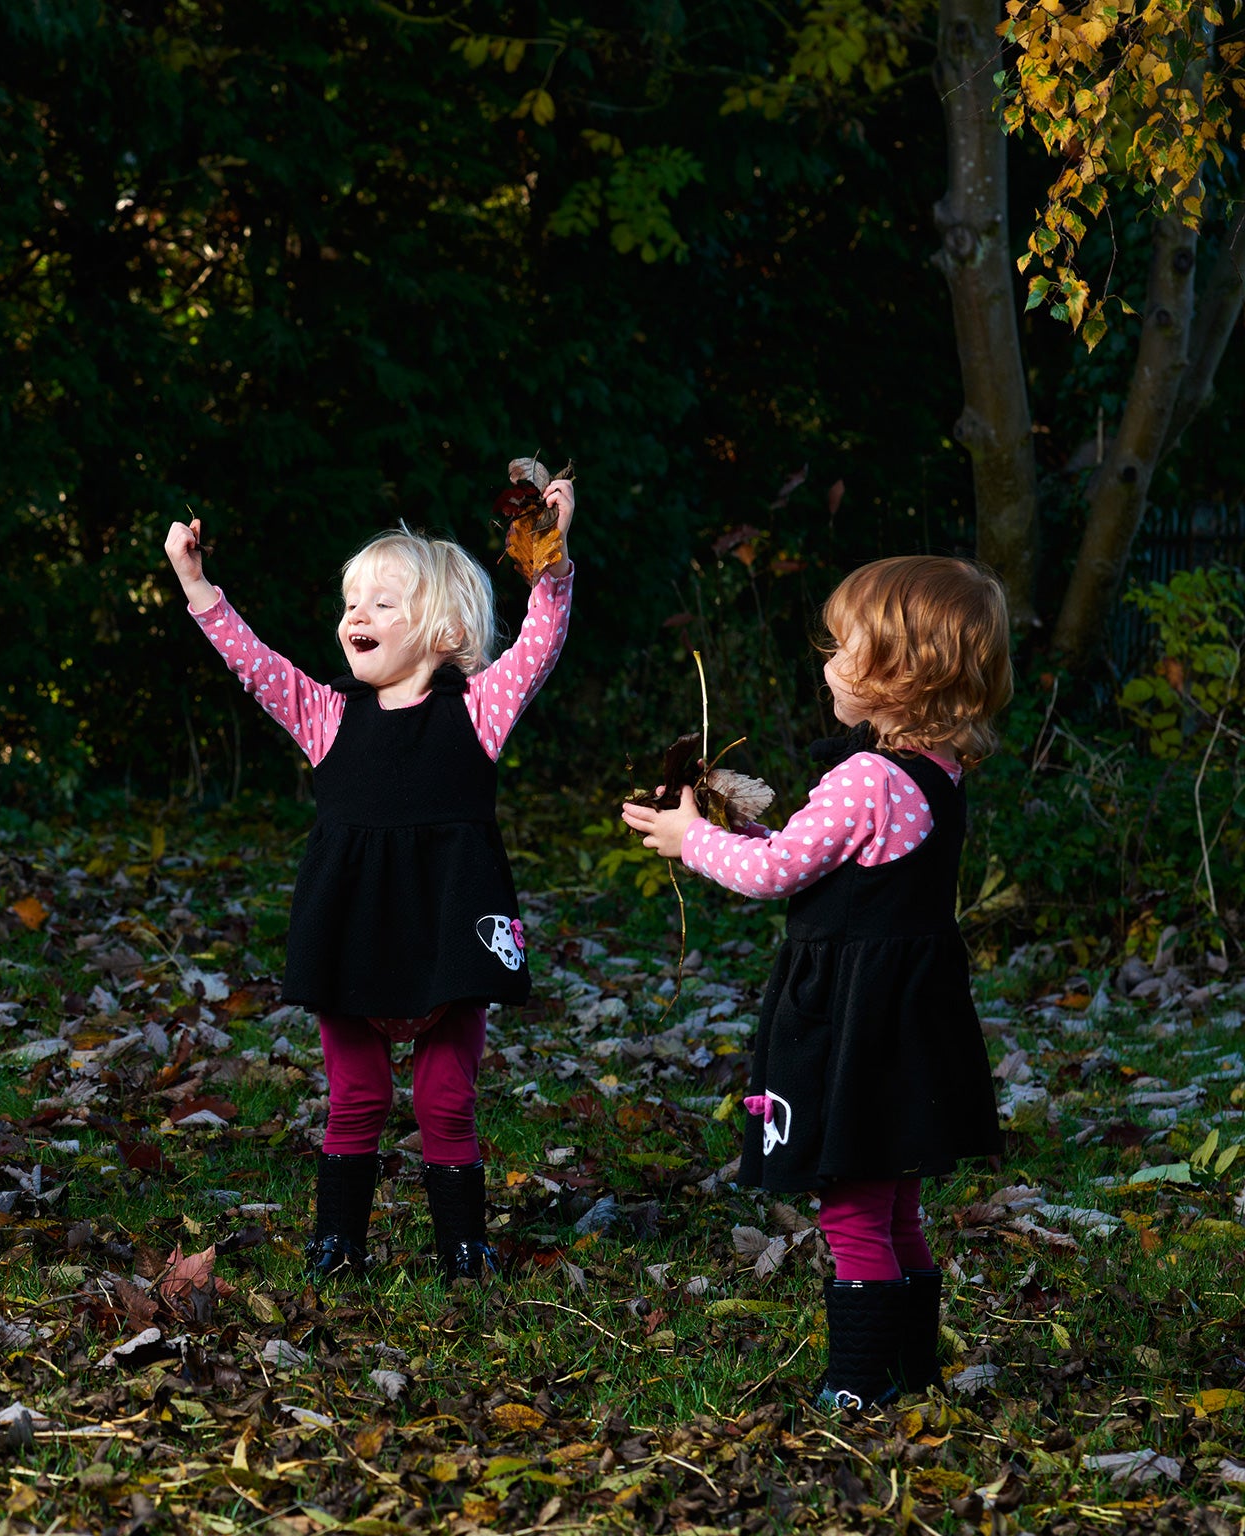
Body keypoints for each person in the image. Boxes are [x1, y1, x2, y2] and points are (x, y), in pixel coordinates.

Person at [621, 555, 1011, 1408]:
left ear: (898, 672)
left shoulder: (865, 778)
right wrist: (736, 823)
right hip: (907, 1024)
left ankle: (859, 1385)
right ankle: (910, 1370)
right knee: (892, 1202)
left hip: (850, 1025)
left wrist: (692, 840)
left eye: (843, 648)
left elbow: (776, 876)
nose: (828, 662)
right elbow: (820, 863)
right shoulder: (935, 773)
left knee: (850, 1210)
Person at [163, 488, 576, 1279]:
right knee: (357, 1097)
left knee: (446, 1100)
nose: (358, 613)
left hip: (451, 934)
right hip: (353, 936)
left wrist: (549, 550)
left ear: (443, 632)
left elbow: (541, 641)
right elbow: (253, 665)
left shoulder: (480, 711)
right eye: (352, 601)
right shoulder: (325, 715)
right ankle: (337, 1243)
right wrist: (195, 583)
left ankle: (463, 1245)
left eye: (382, 602)